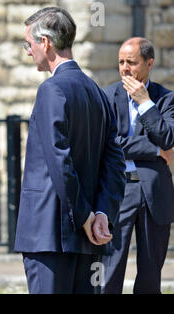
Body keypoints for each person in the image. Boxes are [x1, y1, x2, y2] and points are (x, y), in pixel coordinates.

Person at [13, 7, 126, 294]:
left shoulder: (51, 90)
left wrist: (85, 215)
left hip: (50, 234)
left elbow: (59, 160)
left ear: (46, 43)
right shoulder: (98, 92)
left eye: (30, 43)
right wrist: (102, 213)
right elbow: (115, 161)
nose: (29, 51)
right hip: (90, 237)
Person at [101, 37, 174, 294]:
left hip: (153, 192)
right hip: (118, 190)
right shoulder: (107, 97)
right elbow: (111, 144)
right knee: (110, 267)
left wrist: (145, 102)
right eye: (121, 62)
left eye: (131, 62)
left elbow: (168, 137)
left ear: (149, 63)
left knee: (150, 274)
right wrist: (155, 150)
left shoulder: (166, 99)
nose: (124, 68)